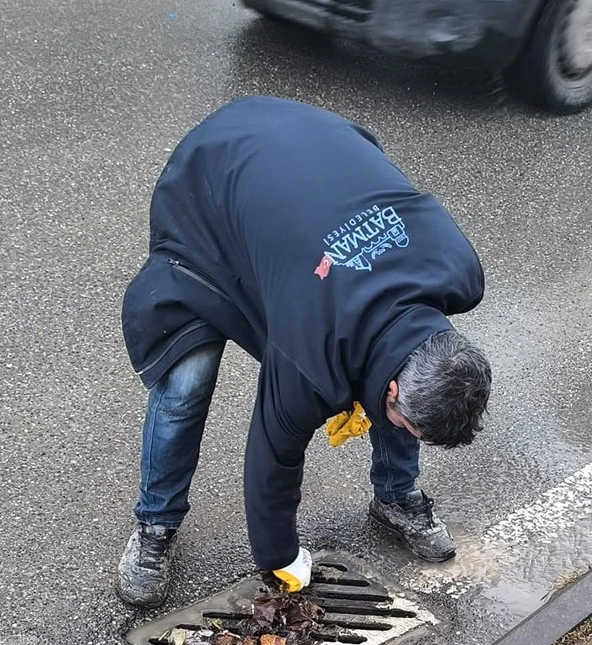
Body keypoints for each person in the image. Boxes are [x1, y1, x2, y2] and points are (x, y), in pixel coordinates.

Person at [116, 96, 492, 608]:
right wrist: (281, 558)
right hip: (211, 189)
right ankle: (155, 525)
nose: (403, 424)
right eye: (404, 419)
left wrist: (398, 408)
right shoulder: (308, 355)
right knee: (187, 380)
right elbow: (272, 459)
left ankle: (395, 496)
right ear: (393, 388)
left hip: (315, 168)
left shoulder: (458, 274)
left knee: (403, 358)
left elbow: (405, 355)